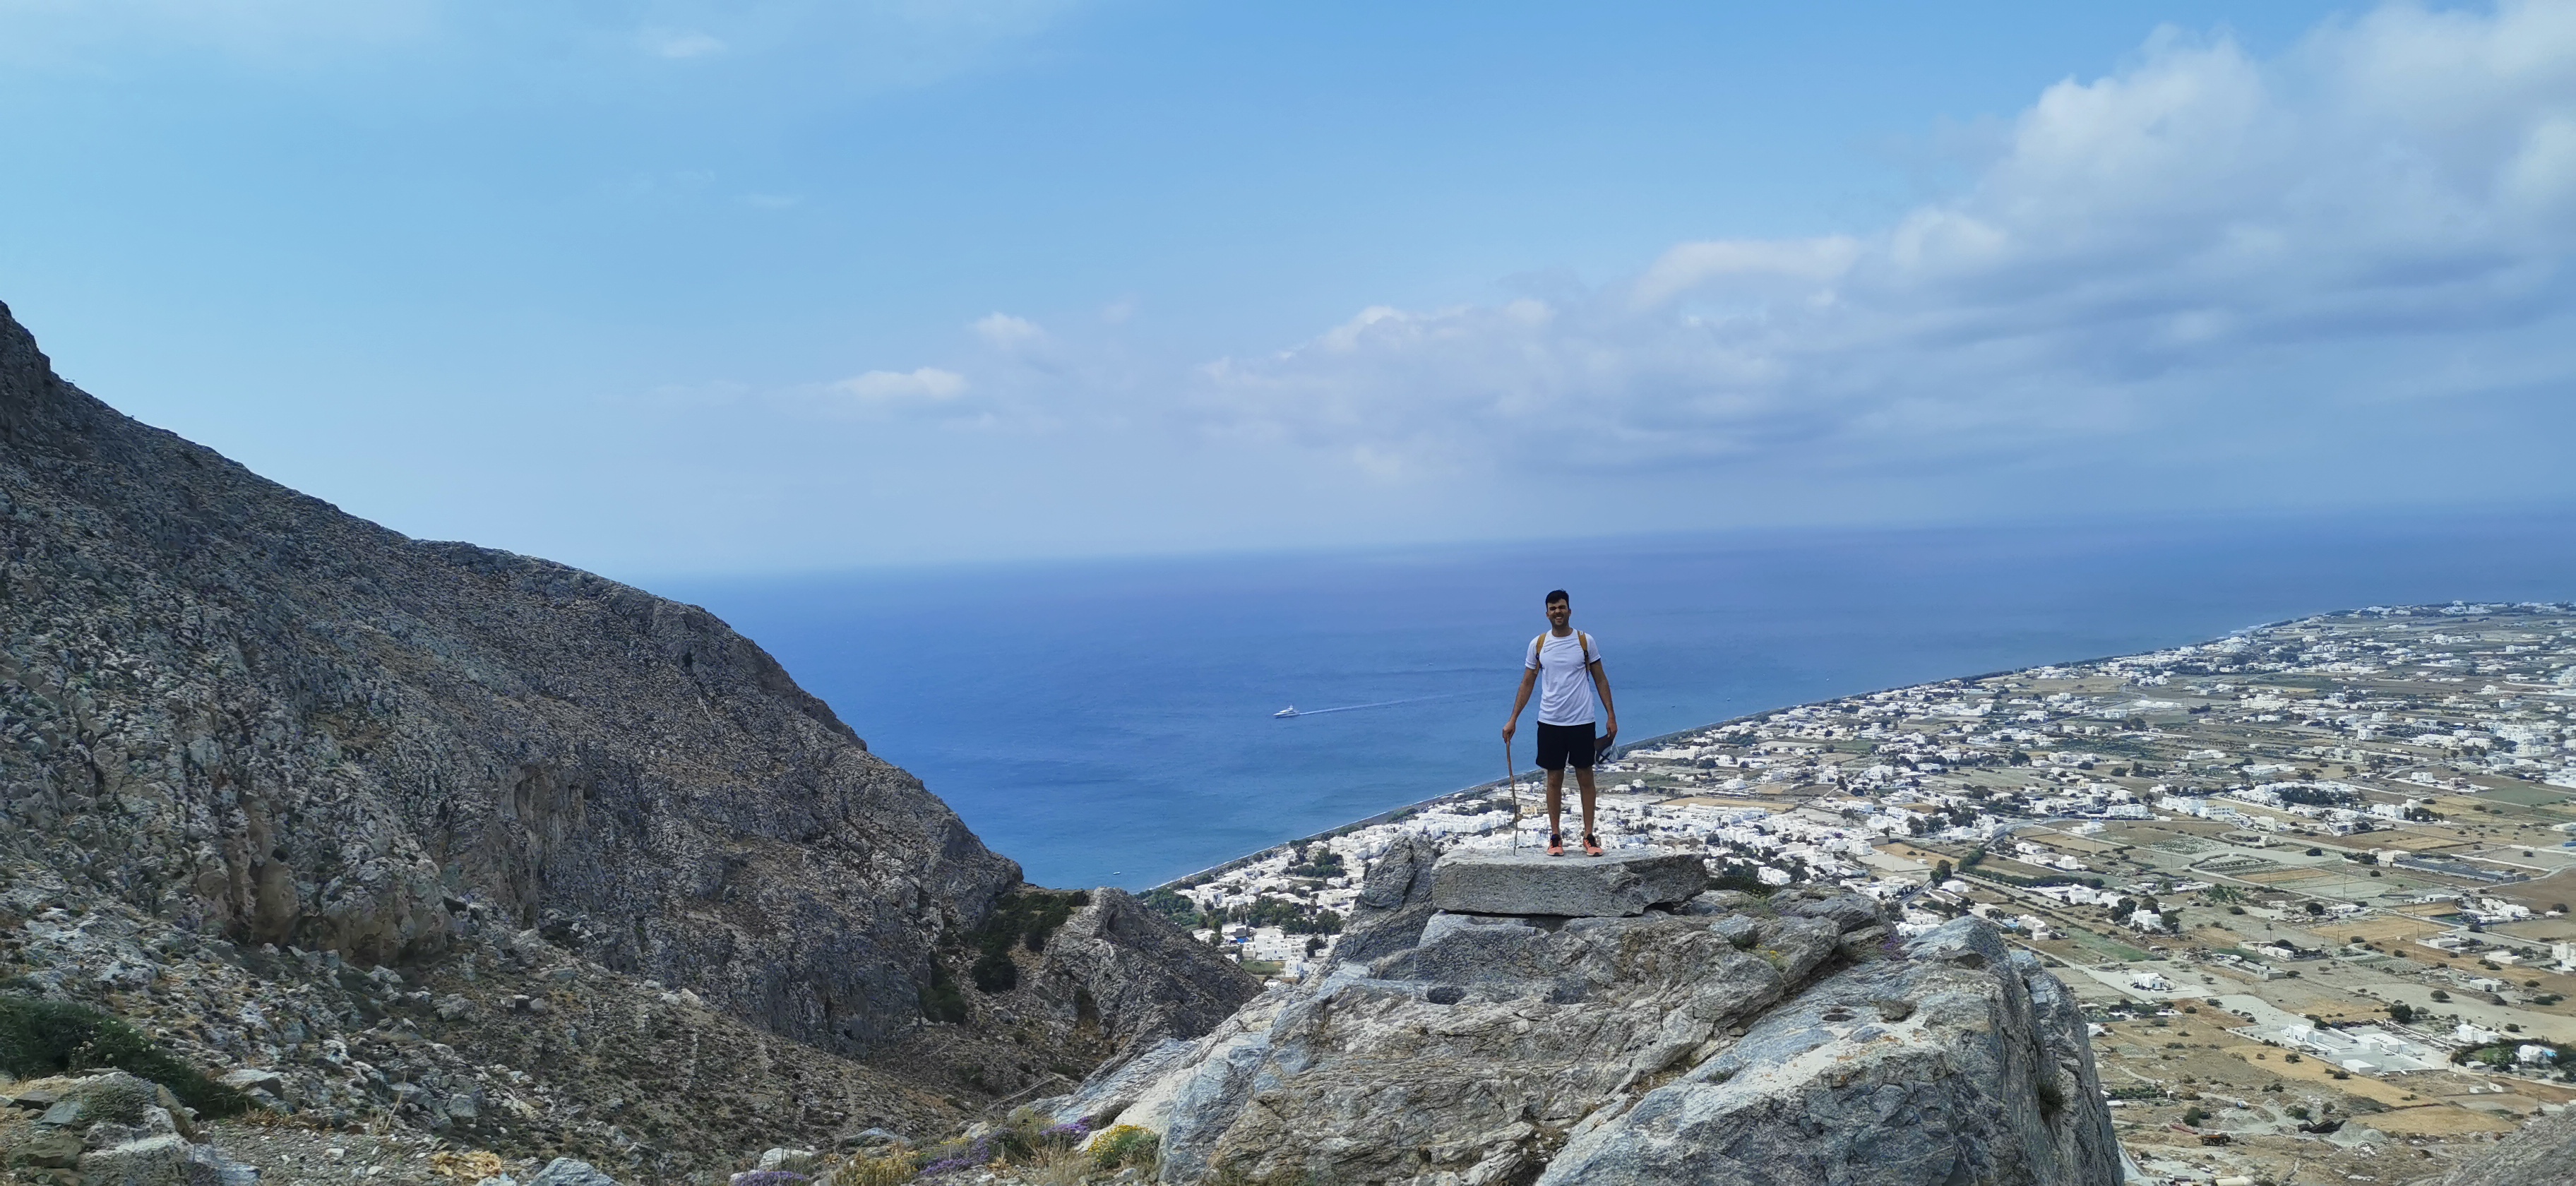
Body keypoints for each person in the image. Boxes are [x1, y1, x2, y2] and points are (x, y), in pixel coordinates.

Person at [1501, 589, 1618, 856]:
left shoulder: (1585, 641)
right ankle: (1555, 837)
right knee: (1553, 779)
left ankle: (1589, 836)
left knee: (1586, 777)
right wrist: (1513, 719)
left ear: (1569, 611)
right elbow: (1527, 682)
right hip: (1550, 721)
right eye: (1553, 608)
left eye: (1562, 607)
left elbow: (1600, 678)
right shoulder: (1539, 644)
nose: (1558, 612)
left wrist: (1611, 715)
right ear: (1547, 613)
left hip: (1582, 720)